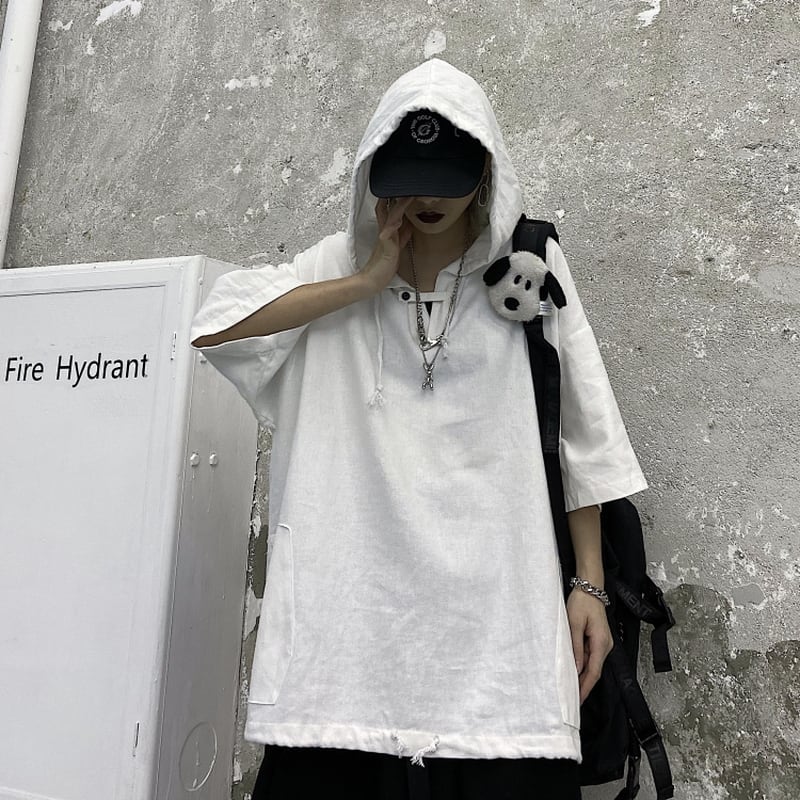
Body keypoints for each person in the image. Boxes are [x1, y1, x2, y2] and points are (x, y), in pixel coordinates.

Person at [191, 58, 647, 799]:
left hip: (499, 641)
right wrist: (364, 282)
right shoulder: (335, 265)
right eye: (406, 179)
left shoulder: (529, 266)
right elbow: (215, 329)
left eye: (444, 178)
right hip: (346, 652)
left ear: (486, 170)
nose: (425, 198)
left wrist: (589, 585)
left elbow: (581, 434)